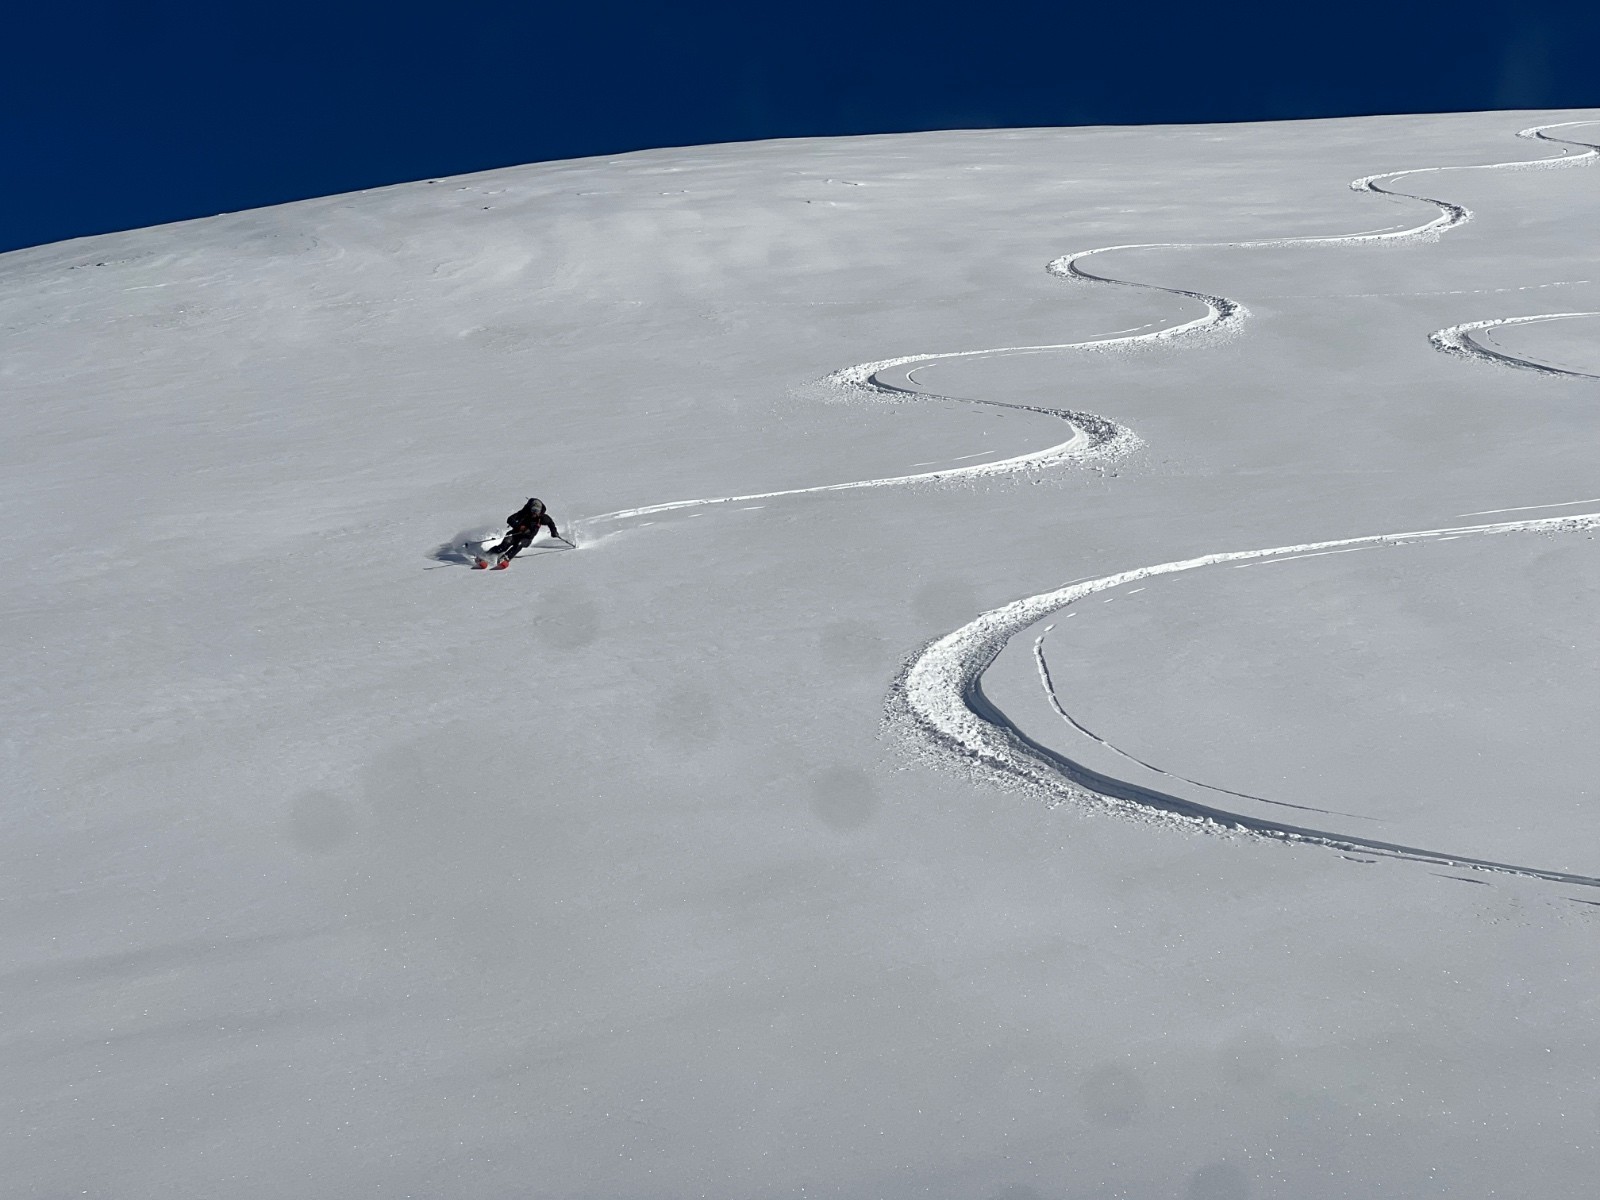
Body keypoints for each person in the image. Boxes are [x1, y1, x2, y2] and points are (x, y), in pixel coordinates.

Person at [478, 497, 562, 567]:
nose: (534, 513)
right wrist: (519, 527)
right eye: (533, 510)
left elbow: (550, 523)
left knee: (519, 544)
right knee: (504, 546)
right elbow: (510, 519)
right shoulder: (523, 513)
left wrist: (554, 531)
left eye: (537, 511)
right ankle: (485, 556)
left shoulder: (542, 518)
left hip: (527, 538)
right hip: (515, 534)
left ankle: (505, 558)